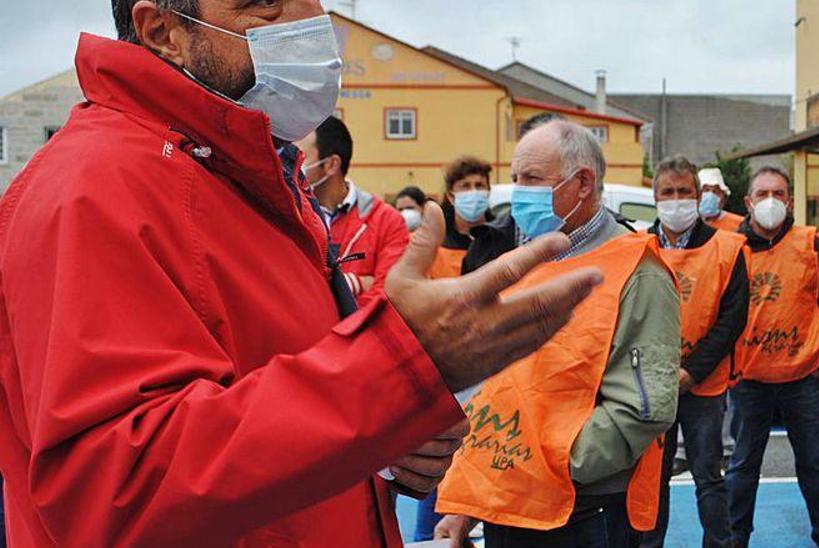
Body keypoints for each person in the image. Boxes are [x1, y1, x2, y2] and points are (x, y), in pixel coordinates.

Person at [0, 2, 604, 546]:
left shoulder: (236, 171)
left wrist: (389, 442)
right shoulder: (95, 188)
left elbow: (275, 386)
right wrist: (395, 374)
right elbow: (117, 491)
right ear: (164, 32)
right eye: (262, 3)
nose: (307, 20)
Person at [435, 121, 680, 547]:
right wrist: (468, 502)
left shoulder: (639, 272)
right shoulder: (529, 260)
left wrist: (555, 462)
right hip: (512, 499)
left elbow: (644, 408)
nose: (518, 192)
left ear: (583, 182)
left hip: (582, 511)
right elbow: (500, 390)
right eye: (515, 179)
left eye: (531, 178)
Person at [727, 167, 819, 548]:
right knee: (743, 465)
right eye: (762, 193)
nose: (770, 201)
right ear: (747, 202)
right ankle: (734, 537)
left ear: (790, 200)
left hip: (803, 379)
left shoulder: (810, 242)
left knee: (813, 462)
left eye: (778, 193)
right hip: (749, 379)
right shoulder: (731, 248)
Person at [639, 156, 748, 548]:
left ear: (698, 194)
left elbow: (732, 320)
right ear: (654, 197)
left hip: (704, 386)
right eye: (667, 192)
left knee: (709, 477)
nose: (676, 200)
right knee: (652, 480)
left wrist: (691, 373)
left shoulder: (728, 248)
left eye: (684, 191)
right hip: (651, 387)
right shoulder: (637, 247)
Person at [297, 116, 409, 306]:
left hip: (363, 334)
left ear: (332, 165)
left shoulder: (386, 221)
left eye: (301, 157)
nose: (293, 165)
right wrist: (355, 283)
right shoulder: (290, 217)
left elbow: (388, 296)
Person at [428, 156, 493, 279]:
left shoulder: (502, 236)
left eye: (479, 185)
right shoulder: (438, 242)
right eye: (465, 186)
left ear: (488, 191)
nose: (473, 191)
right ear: (451, 196)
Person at [699, 167, 745, 232]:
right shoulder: (686, 224)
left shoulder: (741, 224)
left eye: (716, 192)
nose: (710, 195)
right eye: (706, 190)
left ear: (724, 199)